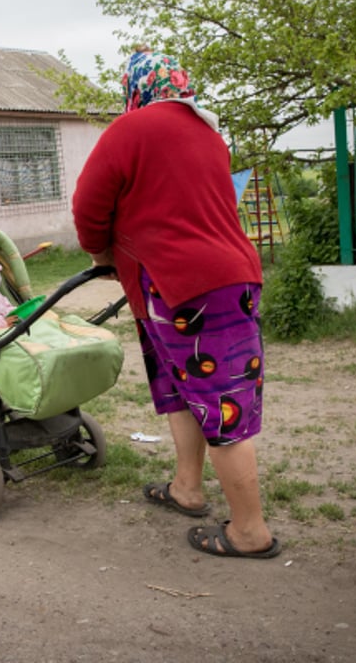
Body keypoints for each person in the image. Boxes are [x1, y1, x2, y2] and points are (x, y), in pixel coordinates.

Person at [71, 46, 279, 559]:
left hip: (184, 289)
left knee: (220, 406)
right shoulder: (209, 133)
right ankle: (187, 488)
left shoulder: (131, 128)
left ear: (136, 89)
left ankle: (249, 532)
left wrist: (101, 251)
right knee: (185, 391)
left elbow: (88, 207)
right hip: (226, 280)